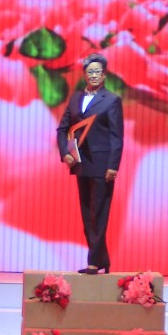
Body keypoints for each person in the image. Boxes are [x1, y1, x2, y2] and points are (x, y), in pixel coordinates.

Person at [55, 54, 123, 273]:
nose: (94, 75)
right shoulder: (75, 98)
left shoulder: (111, 100)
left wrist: (113, 166)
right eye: (90, 72)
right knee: (87, 214)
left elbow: (116, 136)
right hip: (81, 163)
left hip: (102, 165)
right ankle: (102, 260)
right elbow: (62, 129)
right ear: (84, 75)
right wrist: (65, 153)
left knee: (99, 213)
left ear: (104, 75)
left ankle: (94, 262)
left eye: (98, 72)